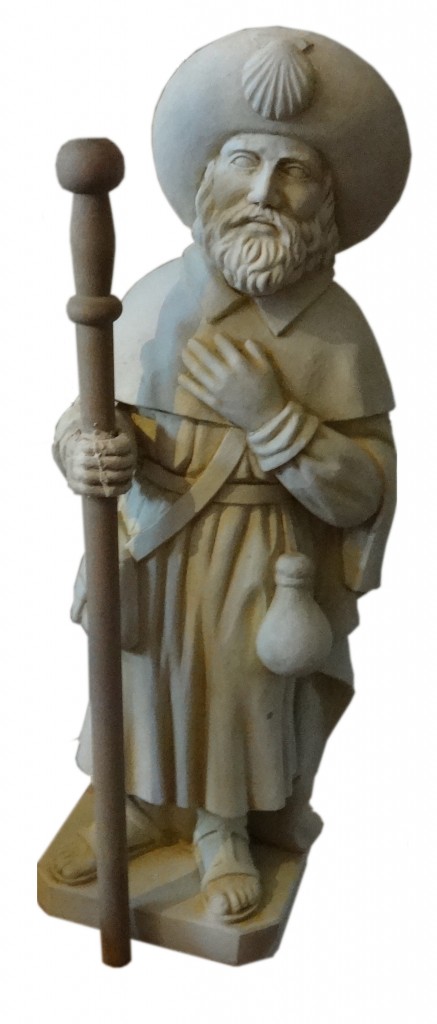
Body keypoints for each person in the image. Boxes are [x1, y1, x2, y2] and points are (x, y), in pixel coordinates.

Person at [52, 27, 409, 923]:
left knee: (241, 692)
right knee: (145, 679)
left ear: (325, 199)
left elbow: (364, 490)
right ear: (206, 179)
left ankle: (222, 830)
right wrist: (83, 449)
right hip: (153, 540)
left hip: (263, 553)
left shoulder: (335, 330)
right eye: (244, 163)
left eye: (293, 172)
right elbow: (91, 411)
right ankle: (135, 806)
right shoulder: (154, 298)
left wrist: (273, 417)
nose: (262, 191)